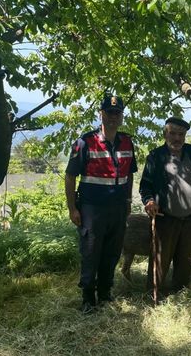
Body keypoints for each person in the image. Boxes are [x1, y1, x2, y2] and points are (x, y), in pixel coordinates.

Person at [65, 94, 137, 314]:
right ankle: (88, 299)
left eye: (117, 113)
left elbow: (129, 175)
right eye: (109, 113)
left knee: (112, 253)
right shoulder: (85, 142)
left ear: (121, 116)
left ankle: (105, 294)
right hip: (91, 209)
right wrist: (72, 208)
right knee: (91, 253)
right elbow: (70, 176)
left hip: (117, 208)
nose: (113, 117)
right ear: (101, 114)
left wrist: (127, 202)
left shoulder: (127, 142)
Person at [139, 117, 191, 295]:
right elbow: (145, 185)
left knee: (186, 258)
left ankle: (180, 290)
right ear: (165, 134)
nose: (177, 138)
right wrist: (149, 200)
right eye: (172, 133)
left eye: (181, 134)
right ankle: (154, 291)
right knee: (161, 258)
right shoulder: (156, 156)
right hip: (166, 218)